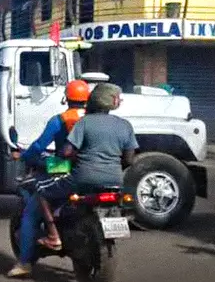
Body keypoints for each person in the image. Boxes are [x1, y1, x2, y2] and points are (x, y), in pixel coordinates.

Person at [34, 82, 138, 251]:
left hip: (82, 178)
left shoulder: (85, 122)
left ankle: (53, 236)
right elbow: (129, 159)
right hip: (115, 181)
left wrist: (61, 158)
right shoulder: (125, 125)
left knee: (41, 190)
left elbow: (66, 152)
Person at [7, 80, 90, 278]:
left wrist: (24, 155)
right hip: (90, 169)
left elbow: (38, 147)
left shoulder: (59, 120)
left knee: (30, 212)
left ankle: (25, 262)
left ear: (66, 98)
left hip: (64, 167)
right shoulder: (92, 119)